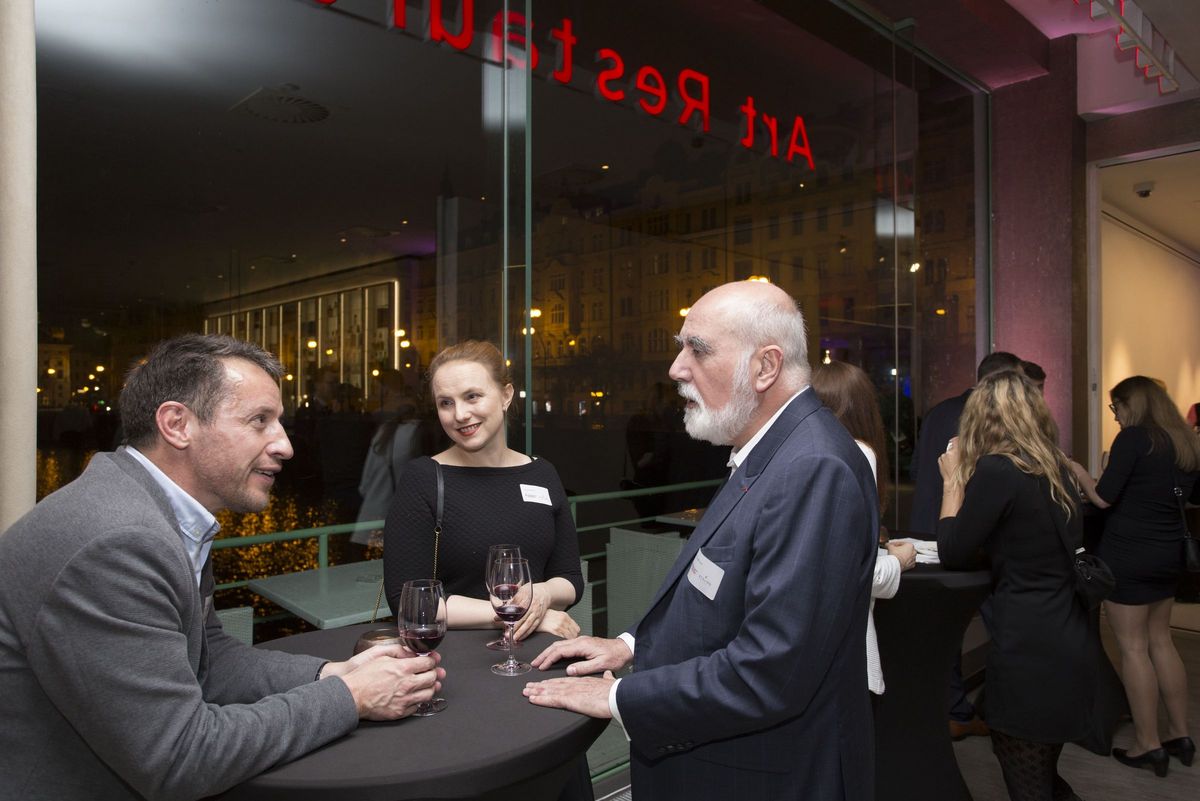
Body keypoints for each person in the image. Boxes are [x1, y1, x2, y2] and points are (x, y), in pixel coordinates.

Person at [0, 334, 444, 801]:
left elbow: (209, 659)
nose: (285, 445)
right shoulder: (118, 543)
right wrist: (353, 697)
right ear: (177, 425)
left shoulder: (158, 513)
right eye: (259, 421)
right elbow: (180, 759)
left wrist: (333, 673)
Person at [523, 280, 879, 800]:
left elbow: (769, 672)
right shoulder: (772, 449)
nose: (676, 368)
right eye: (680, 347)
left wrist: (617, 697)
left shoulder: (812, 468)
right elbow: (719, 596)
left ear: (765, 366)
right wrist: (628, 646)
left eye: (698, 349)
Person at [937, 369, 1097, 801]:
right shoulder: (1055, 468)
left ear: (982, 418)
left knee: (1029, 785)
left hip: (1030, 649)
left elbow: (952, 550)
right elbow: (1027, 542)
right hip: (1067, 637)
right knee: (1044, 779)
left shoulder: (999, 470)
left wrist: (952, 482)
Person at [383, 340, 583, 641]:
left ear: (506, 395)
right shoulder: (423, 478)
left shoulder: (543, 473)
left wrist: (543, 593)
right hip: (455, 654)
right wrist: (514, 615)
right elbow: (406, 599)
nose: (460, 414)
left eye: (472, 396)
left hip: (539, 651)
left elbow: (570, 579)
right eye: (446, 403)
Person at [1071, 376, 1199, 776]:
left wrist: (1077, 471)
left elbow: (1102, 497)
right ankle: (1180, 735)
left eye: (1116, 407)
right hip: (1168, 553)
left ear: (1132, 403)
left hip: (1128, 554)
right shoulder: (1184, 441)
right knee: (1162, 641)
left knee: (1133, 648)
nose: (1116, 415)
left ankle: (1147, 743)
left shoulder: (1133, 439)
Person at [909, 349, 1022, 738]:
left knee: (946, 631)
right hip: (967, 536)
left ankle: (954, 709)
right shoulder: (989, 417)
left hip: (926, 530)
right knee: (1003, 626)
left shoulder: (939, 411)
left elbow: (916, 468)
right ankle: (1006, 712)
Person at [812, 361, 917, 702]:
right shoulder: (858, 453)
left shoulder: (803, 452)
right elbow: (858, 574)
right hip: (841, 645)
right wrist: (898, 561)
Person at [352, 369, 427, 554]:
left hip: (371, 519)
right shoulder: (419, 434)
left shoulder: (383, 432)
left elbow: (364, 485)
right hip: (403, 523)